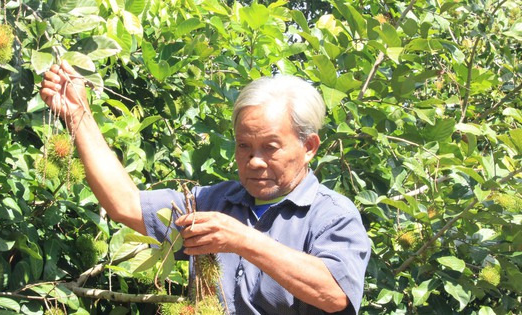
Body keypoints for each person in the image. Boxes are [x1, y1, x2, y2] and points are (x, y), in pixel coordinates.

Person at [40, 61, 371, 314]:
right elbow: (124, 204)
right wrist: (77, 114)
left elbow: (334, 294)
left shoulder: (332, 215)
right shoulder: (211, 202)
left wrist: (241, 239)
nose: (255, 161)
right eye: (244, 147)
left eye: (270, 147)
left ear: (309, 146)